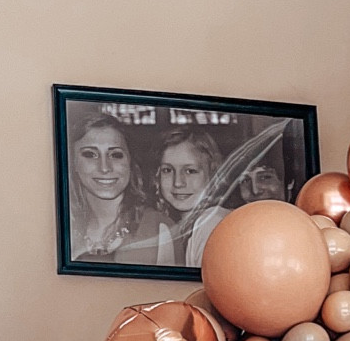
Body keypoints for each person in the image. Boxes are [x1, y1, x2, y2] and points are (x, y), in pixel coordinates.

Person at [66, 115, 175, 266]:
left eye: (116, 155)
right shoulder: (62, 229)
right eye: (90, 154)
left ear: (130, 162)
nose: (104, 167)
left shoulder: (159, 229)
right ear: (72, 163)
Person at [155, 128, 229, 268]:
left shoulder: (212, 223)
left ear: (213, 174)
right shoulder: (175, 226)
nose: (178, 182)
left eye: (190, 171)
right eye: (168, 170)